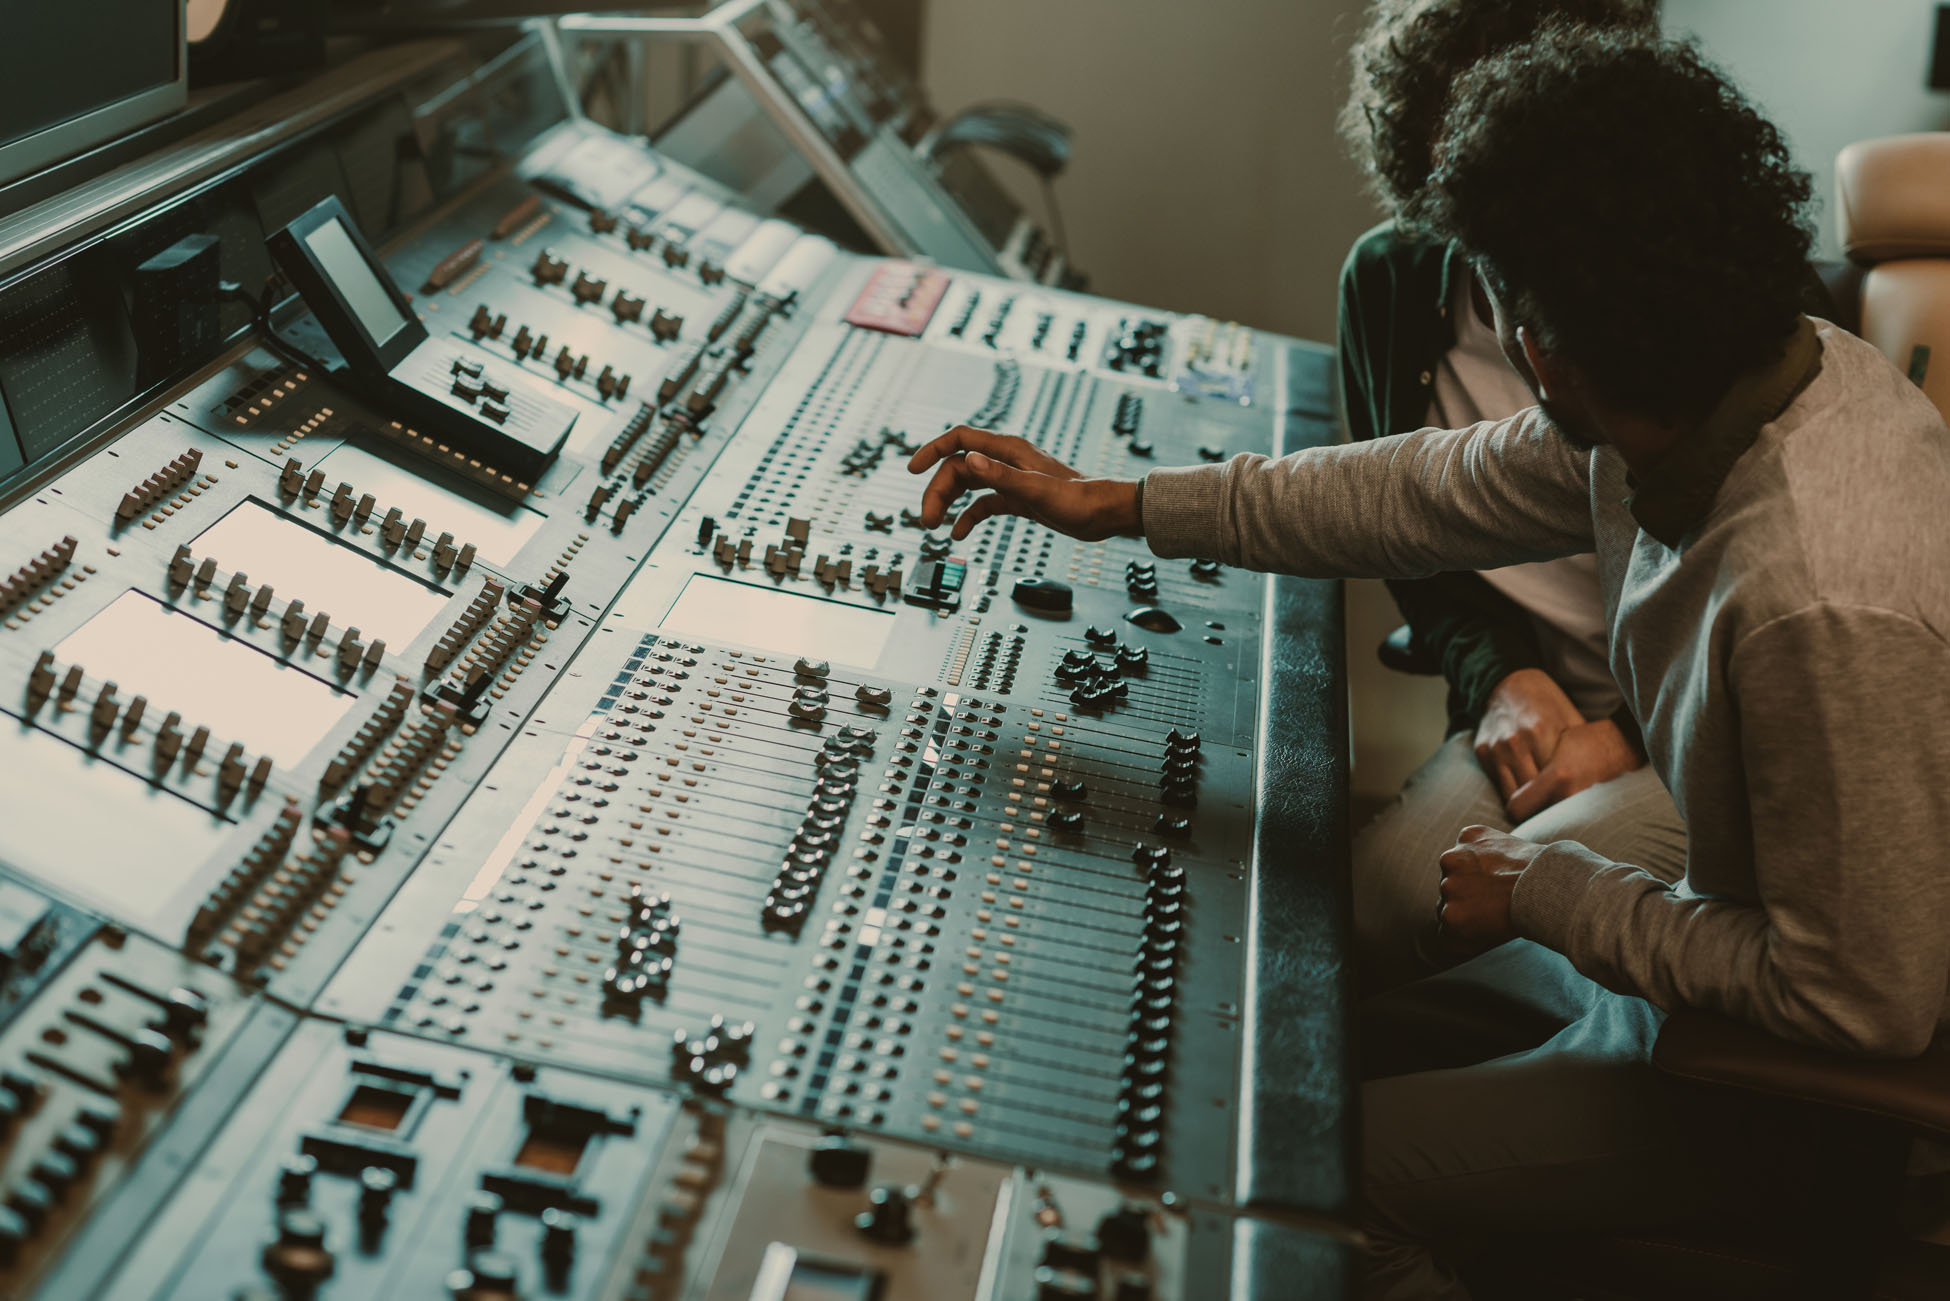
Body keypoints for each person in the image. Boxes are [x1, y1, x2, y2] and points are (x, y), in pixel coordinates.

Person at [907, 26, 1950, 1299]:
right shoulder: (1731, 378)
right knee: (1315, 1033)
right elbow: (1421, 489)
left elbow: (1863, 1006)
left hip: (1782, 1104)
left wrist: (1553, 890)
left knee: (1307, 1175)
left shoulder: (1814, 598)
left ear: (1542, 339)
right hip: (1684, 981)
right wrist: (1122, 501)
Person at [1335, 0, 1685, 994]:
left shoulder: (1706, 287)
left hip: (1688, 731)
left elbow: (1762, 609)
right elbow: (1407, 529)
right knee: (1383, 901)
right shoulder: (1391, 285)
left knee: (1511, 918)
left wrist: (1625, 735)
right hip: (1533, 700)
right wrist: (1502, 678)